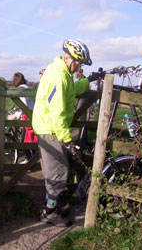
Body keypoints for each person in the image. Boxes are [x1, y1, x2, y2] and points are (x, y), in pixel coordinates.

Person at [32, 39, 104, 227]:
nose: (78, 67)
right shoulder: (58, 76)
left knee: (57, 170)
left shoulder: (62, 72)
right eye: (78, 63)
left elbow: (73, 89)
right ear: (68, 57)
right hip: (51, 130)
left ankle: (52, 206)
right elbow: (57, 113)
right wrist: (67, 140)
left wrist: (88, 79)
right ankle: (49, 212)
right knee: (58, 172)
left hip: (50, 128)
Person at [7, 72, 37, 164]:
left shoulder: (21, 90)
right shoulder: (28, 87)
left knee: (24, 140)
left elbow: (24, 105)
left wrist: (14, 116)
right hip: (34, 115)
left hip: (27, 117)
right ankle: (32, 159)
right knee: (30, 138)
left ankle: (30, 161)